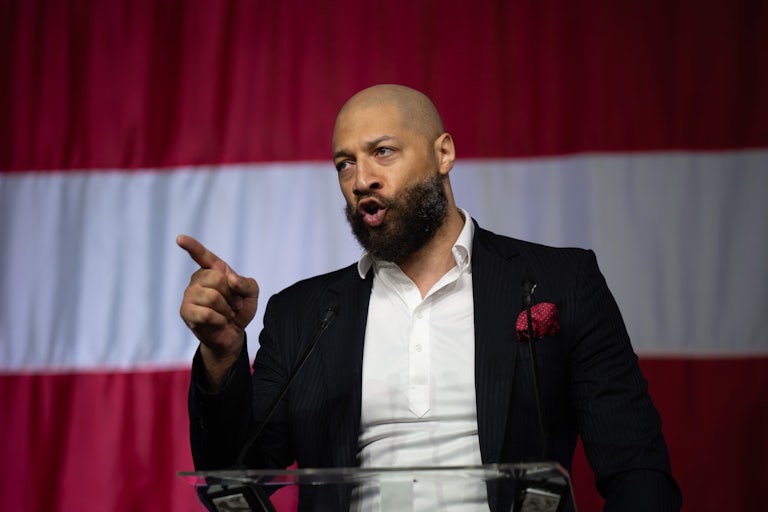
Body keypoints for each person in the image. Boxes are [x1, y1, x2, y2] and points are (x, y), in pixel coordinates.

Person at [179, 84, 681, 511]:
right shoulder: (302, 314)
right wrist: (222, 354)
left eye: (383, 151)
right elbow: (233, 481)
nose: (361, 180)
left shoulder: (559, 281)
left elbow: (637, 467)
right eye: (344, 164)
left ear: (444, 154)